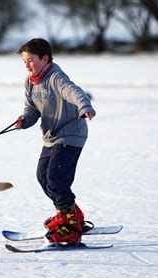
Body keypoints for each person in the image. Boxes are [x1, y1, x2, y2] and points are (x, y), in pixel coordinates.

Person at [15, 38, 96, 244]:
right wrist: (25, 120)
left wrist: (84, 106)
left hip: (71, 134)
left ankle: (71, 228)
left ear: (44, 58)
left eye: (31, 60)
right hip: (51, 136)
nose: (27, 65)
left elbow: (73, 91)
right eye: (24, 61)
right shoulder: (30, 82)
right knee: (43, 177)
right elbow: (31, 109)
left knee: (57, 180)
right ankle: (71, 214)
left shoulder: (56, 77)